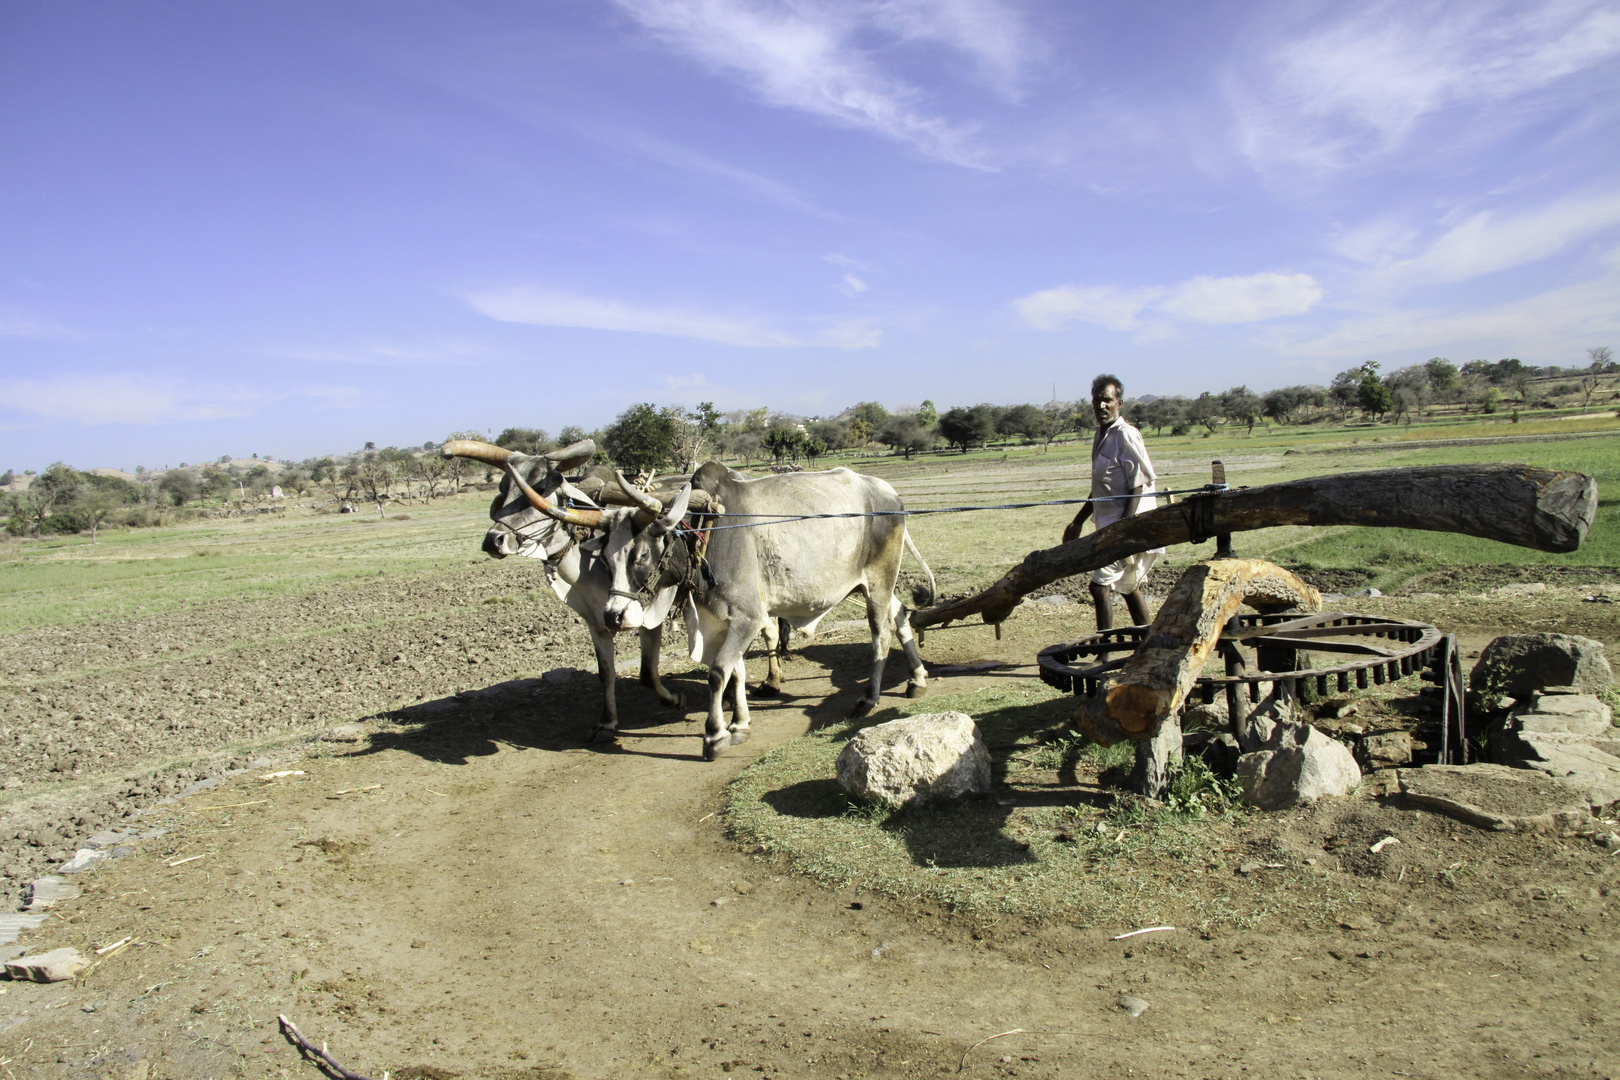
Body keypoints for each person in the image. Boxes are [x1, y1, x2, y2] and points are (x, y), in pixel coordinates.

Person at [1061, 374, 1162, 630]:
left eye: (1108, 400)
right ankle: (1147, 642)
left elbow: (1137, 485)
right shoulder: (1101, 435)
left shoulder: (1126, 435)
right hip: (1110, 525)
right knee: (1128, 586)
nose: (1101, 406)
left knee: (1099, 586)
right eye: (1097, 400)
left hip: (1128, 526)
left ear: (1119, 403)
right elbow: (1099, 489)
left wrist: (1124, 529)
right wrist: (1078, 522)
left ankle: (1104, 652)